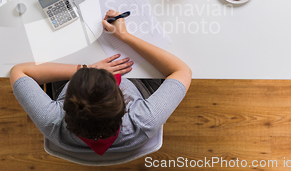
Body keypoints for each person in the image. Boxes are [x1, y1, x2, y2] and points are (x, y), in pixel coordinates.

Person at [10, 9, 192, 155]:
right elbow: (182, 71)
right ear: (124, 104)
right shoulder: (144, 120)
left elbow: (18, 71)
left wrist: (83, 68)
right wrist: (125, 36)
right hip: (137, 84)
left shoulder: (51, 120)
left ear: (64, 106)